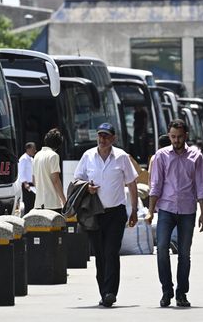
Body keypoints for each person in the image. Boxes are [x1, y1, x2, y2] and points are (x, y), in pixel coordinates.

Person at [73, 123, 138, 308]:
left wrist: (134, 210)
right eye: (100, 136)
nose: (102, 140)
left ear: (113, 139)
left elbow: (132, 183)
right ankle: (104, 292)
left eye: (106, 136)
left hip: (116, 213)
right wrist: (87, 187)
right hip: (94, 214)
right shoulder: (88, 156)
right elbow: (77, 179)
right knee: (100, 255)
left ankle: (110, 292)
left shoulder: (121, 157)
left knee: (111, 252)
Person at [145, 119, 203, 308]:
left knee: (184, 253)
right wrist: (150, 212)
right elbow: (155, 185)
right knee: (162, 249)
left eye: (179, 137)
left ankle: (182, 293)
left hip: (188, 211)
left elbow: (201, 186)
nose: (176, 140)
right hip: (166, 209)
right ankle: (166, 290)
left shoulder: (196, 156)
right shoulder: (161, 156)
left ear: (186, 136)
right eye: (173, 136)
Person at [33, 130, 66, 212]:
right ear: (58, 144)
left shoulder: (37, 155)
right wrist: (64, 201)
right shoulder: (53, 156)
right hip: (52, 204)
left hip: (38, 203)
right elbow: (56, 180)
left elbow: (34, 180)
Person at [19, 142, 37, 213]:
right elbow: (21, 172)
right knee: (27, 204)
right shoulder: (23, 159)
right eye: (33, 149)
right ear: (28, 149)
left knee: (32, 203)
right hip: (26, 185)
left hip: (32, 185)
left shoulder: (31, 159)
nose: (35, 151)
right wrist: (25, 183)